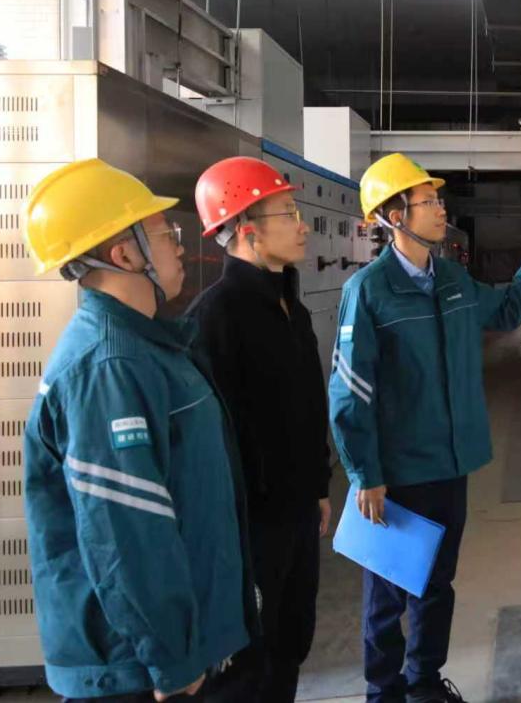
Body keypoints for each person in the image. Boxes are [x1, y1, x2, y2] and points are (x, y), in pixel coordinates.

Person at [329, 153, 521, 703]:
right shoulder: (368, 291)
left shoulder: (453, 280)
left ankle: (422, 683)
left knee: (437, 584)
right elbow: (350, 392)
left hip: (450, 463)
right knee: (389, 593)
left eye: (438, 200)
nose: (441, 210)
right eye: (428, 202)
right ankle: (383, 691)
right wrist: (365, 473)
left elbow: (506, 311)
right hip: (397, 471)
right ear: (395, 216)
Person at [20, 158, 257, 702]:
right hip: (136, 668)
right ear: (124, 255)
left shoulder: (147, 347)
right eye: (165, 233)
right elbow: (125, 531)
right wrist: (171, 655)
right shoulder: (109, 367)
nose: (180, 246)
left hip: (172, 648)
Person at [185, 156, 333, 703]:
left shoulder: (292, 308)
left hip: (297, 512)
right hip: (249, 526)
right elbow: (210, 443)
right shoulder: (214, 318)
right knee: (249, 661)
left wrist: (318, 485)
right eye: (288, 213)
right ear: (247, 229)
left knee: (291, 640)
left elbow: (306, 405)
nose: (303, 225)